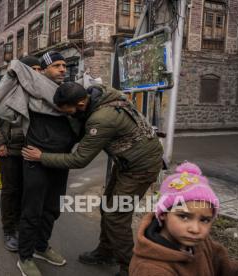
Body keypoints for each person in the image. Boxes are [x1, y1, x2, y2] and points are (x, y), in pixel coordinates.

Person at [22, 82, 163, 276]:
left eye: (68, 111)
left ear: (80, 104)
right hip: (128, 161)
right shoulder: (102, 93)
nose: (68, 115)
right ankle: (106, 252)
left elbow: (79, 159)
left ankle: (129, 267)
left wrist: (41, 157)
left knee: (116, 216)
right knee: (108, 207)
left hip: (140, 167)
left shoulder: (101, 119)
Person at [0, 51, 78, 276]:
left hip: (60, 161)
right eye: (57, 66)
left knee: (52, 208)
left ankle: (41, 247)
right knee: (32, 210)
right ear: (42, 70)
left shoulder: (70, 94)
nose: (62, 69)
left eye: (64, 65)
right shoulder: (30, 94)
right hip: (35, 161)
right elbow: (0, 108)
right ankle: (25, 257)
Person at [130, 162, 238, 275]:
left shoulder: (201, 244)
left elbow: (227, 269)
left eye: (204, 220)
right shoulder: (151, 269)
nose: (195, 229)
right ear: (164, 214)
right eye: (184, 217)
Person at [0, 55, 41, 252]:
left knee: (28, 191)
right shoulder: (6, 89)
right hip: (10, 150)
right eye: (33, 69)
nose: (37, 73)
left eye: (39, 69)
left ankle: (23, 225)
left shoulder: (41, 91)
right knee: (10, 190)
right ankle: (9, 229)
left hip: (32, 151)